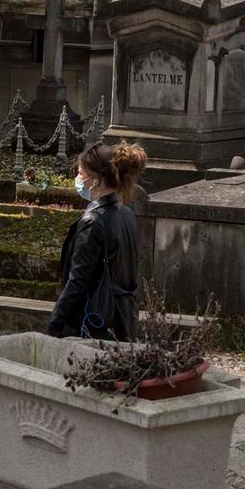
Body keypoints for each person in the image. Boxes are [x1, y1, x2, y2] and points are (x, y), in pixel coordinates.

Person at [46, 142, 147, 341]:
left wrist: (54, 325)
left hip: (93, 321)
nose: (78, 178)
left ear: (96, 180)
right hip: (123, 317)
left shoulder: (93, 222)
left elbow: (77, 281)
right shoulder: (126, 214)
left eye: (81, 173)